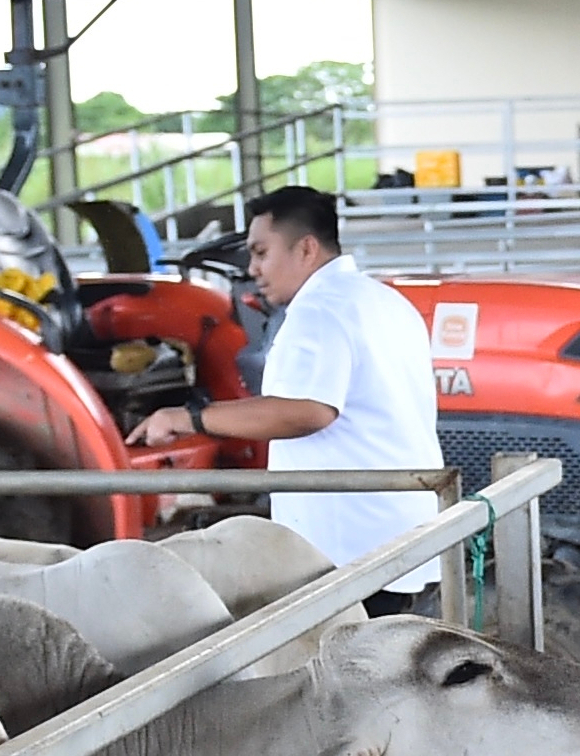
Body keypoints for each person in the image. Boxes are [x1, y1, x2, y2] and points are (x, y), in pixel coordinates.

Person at [129, 185, 440, 614]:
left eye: (261, 253)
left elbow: (306, 410)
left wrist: (190, 419)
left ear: (306, 249)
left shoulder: (318, 310)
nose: (253, 268)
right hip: (404, 530)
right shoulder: (383, 299)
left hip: (351, 546)